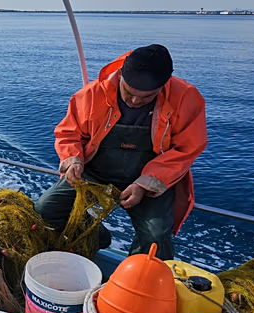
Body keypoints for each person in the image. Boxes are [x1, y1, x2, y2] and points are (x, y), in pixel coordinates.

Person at [34, 44, 207, 260]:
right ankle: (96, 238)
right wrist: (73, 159)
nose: (135, 101)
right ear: (121, 76)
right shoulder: (92, 93)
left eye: (146, 97)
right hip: (95, 171)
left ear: (164, 85)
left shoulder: (187, 99)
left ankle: (136, 281)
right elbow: (69, 132)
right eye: (129, 92)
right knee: (46, 209)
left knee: (155, 235)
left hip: (149, 179)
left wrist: (145, 184)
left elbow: (187, 149)